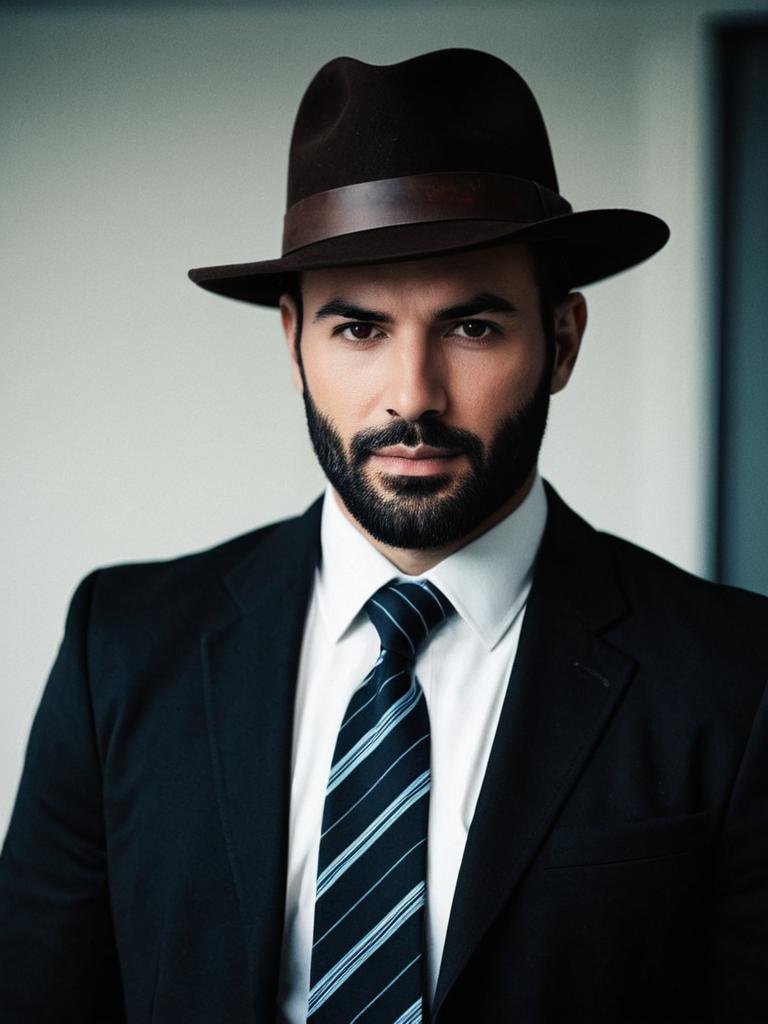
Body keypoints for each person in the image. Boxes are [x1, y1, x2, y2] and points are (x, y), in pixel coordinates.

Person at [1, 47, 766, 1024]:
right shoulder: (122, 645)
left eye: (472, 328)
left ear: (562, 341)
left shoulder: (735, 678)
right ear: (293, 344)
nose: (412, 395)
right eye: (359, 329)